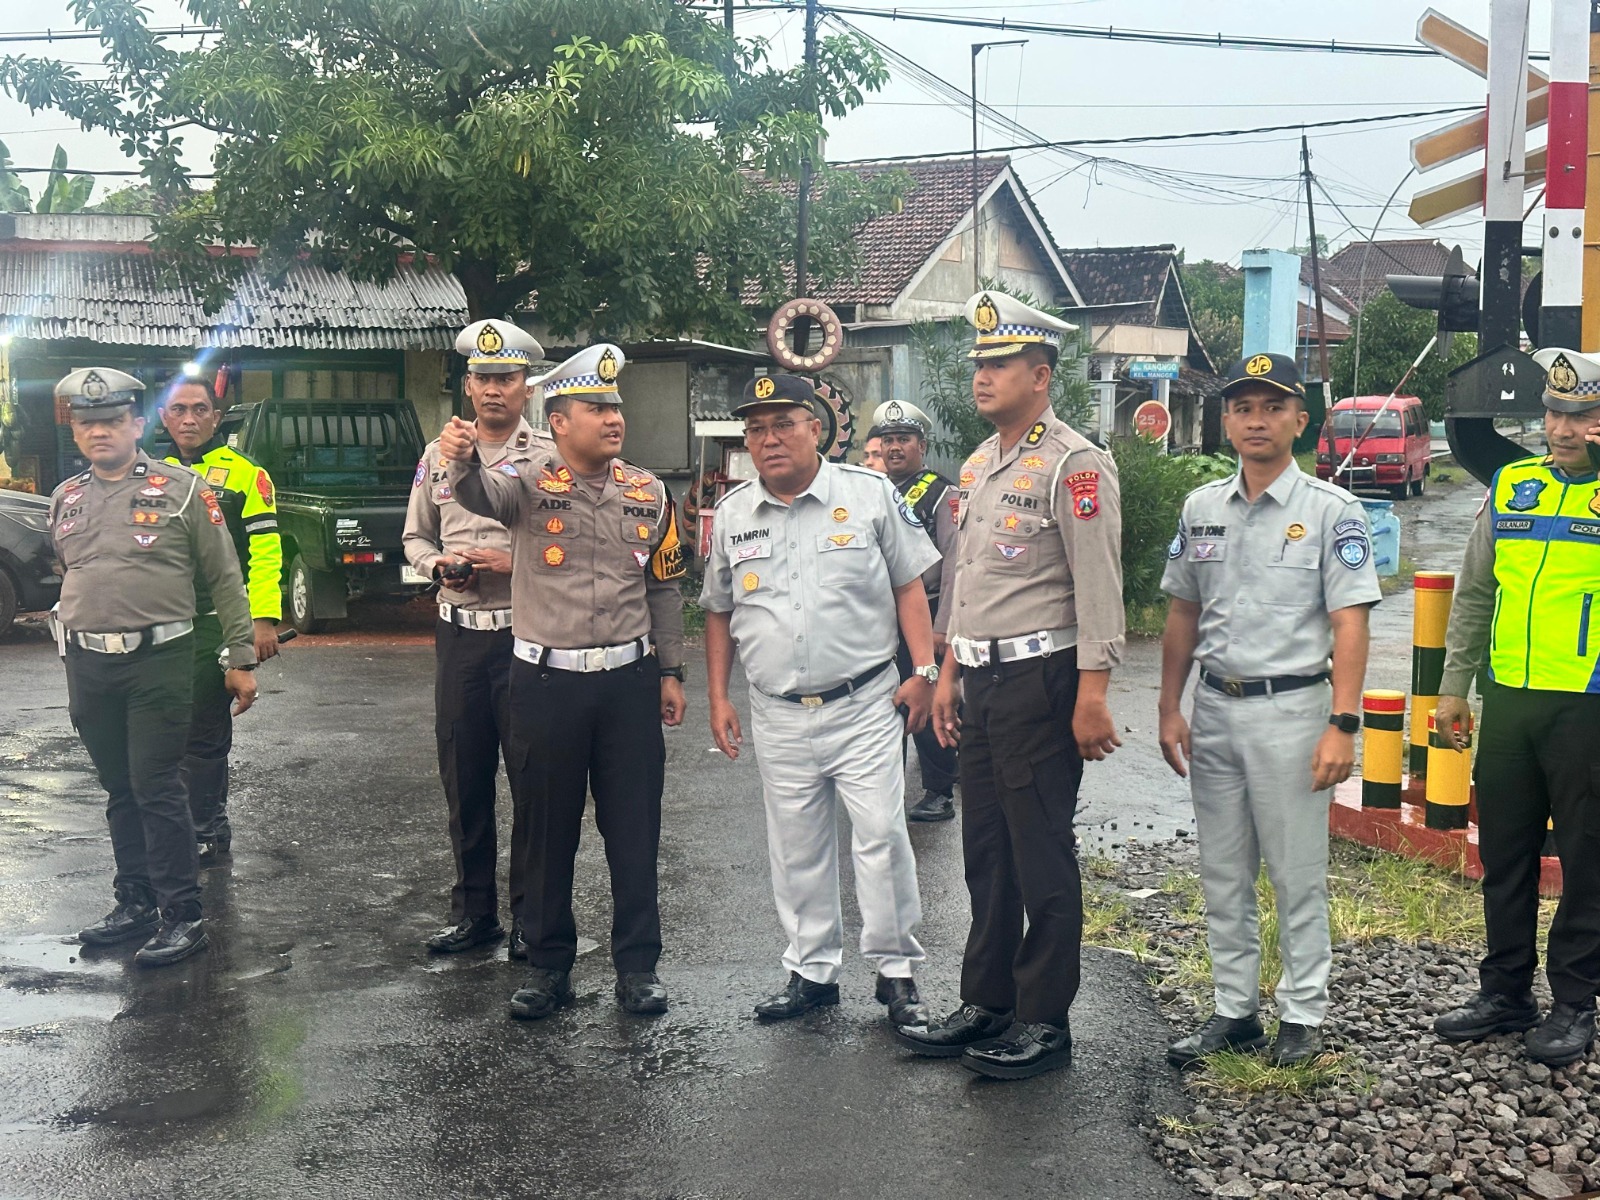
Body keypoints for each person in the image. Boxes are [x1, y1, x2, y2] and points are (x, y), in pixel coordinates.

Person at [899, 291, 1124, 1080]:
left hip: (1042, 677)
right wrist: (948, 673)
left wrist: (1093, 692)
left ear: (1042, 374)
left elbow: (1099, 584)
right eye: (979, 365)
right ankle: (987, 1000)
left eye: (1000, 364)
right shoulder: (977, 464)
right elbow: (965, 582)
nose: (983, 377)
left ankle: (1044, 1019)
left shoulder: (1074, 463)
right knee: (987, 850)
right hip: (982, 676)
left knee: (1040, 853)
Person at [439, 343, 687, 1021]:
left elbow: (664, 587)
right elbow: (477, 494)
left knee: (634, 828)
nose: (614, 419)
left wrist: (670, 670)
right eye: (596, 408)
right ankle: (549, 967)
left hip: (629, 683)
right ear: (559, 420)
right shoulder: (524, 482)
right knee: (546, 830)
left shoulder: (649, 490)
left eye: (616, 407)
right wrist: (462, 459)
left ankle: (638, 967)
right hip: (547, 684)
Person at [1155, 352, 1380, 1069]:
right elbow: (1183, 612)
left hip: (1292, 712)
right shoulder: (1202, 508)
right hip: (1215, 708)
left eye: (1273, 407)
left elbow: (1350, 623)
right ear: (1225, 421)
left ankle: (1303, 1013)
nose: (1258, 420)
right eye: (1243, 408)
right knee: (1222, 871)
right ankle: (1235, 1011)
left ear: (1300, 421)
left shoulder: (1331, 511)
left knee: (1294, 872)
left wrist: (1343, 724)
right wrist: (1168, 707)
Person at [702, 373, 940, 1026]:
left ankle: (896, 973)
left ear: (815, 429)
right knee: (796, 845)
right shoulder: (733, 515)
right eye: (756, 429)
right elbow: (718, 610)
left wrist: (924, 670)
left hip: (864, 703)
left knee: (881, 835)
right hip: (777, 710)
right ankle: (812, 972)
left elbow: (909, 586)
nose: (770, 439)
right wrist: (718, 697)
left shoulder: (868, 494)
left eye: (783, 424)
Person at [50, 368, 257, 967]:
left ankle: (182, 914)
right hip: (89, 664)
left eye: (113, 420)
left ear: (137, 425)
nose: (100, 431)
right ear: (76, 430)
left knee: (157, 784)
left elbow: (225, 578)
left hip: (160, 662)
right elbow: (70, 569)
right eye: (88, 423)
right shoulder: (66, 497)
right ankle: (134, 901)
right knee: (119, 787)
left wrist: (241, 657)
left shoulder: (185, 491)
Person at [1432, 346, 1600, 1067]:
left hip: (1586, 705)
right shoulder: (1514, 484)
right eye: (1555, 413)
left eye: (1583, 416)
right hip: (1508, 699)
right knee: (1504, 854)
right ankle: (1505, 991)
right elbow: (1475, 592)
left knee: (1587, 860)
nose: (1563, 430)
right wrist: (1454, 686)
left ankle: (1574, 1002)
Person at [403, 319, 552, 957]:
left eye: (507, 378)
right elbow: (414, 538)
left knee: (532, 781)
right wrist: (438, 565)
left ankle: (530, 921)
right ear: (468, 386)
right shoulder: (437, 456)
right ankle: (474, 914)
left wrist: (513, 565)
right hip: (460, 636)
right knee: (464, 779)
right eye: (484, 378)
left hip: (526, 635)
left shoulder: (549, 457)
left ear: (526, 388)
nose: (494, 389)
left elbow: (565, 552)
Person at [157, 376, 283, 863]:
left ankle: (206, 829)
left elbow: (265, 552)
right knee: (166, 727)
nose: (189, 419)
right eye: (179, 409)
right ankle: (189, 824)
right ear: (164, 417)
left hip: (216, 620)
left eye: (199, 409)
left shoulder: (247, 475)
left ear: (216, 417)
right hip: (162, 623)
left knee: (205, 726)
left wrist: (263, 620)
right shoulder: (151, 474)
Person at [871, 399, 960, 822]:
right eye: (887, 439)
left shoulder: (942, 493)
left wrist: (944, 625)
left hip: (927, 611)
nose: (894, 447)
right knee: (883, 702)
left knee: (927, 701)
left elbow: (955, 561)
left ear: (921, 445)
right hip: (881, 616)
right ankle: (882, 787)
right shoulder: (873, 490)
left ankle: (940, 791)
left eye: (903, 439)